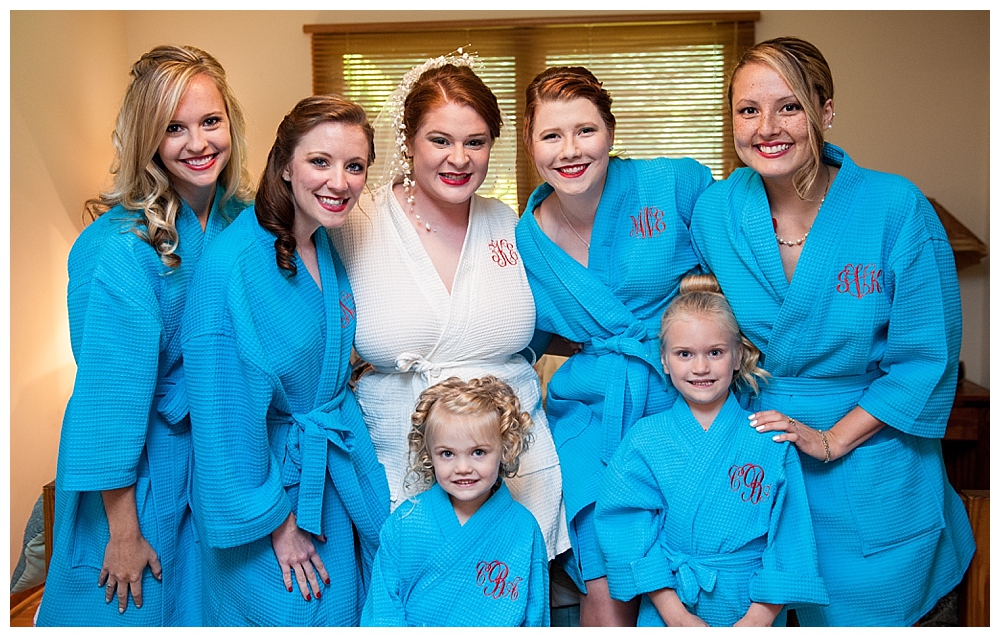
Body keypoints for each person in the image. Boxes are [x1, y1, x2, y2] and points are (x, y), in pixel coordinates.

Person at [689, 37, 975, 626]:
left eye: (789, 106)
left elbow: (927, 357)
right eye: (748, 110)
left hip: (873, 459)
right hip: (759, 460)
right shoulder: (715, 212)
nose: (767, 127)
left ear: (825, 111)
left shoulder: (896, 207)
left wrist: (831, 439)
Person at [35, 45, 252, 627]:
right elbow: (108, 402)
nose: (198, 142)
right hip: (141, 473)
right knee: (135, 607)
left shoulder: (242, 222)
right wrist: (123, 532)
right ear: (147, 139)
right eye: (173, 128)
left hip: (216, 462)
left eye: (211, 121)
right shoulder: (118, 248)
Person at [330, 52, 569, 562]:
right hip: (402, 460)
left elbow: (560, 315)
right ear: (408, 141)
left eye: (475, 142)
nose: (458, 159)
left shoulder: (510, 223)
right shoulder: (357, 219)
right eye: (440, 140)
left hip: (512, 463)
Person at [514, 66, 714, 626]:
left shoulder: (676, 185)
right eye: (551, 136)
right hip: (590, 414)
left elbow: (747, 268)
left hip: (684, 400)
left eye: (585, 131)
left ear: (611, 131)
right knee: (604, 568)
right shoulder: (522, 240)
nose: (569, 151)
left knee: (691, 560)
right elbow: (519, 333)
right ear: (530, 144)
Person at [181, 95, 389, 626]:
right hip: (267, 503)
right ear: (284, 164)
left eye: (354, 166)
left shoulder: (321, 244)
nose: (339, 182)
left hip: (325, 478)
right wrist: (278, 525)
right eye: (320, 162)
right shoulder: (233, 265)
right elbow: (223, 419)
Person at [595, 274, 828, 627]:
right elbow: (625, 527)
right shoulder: (645, 439)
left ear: (738, 356)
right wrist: (675, 615)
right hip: (670, 602)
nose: (700, 367)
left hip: (751, 601)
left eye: (715, 352)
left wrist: (758, 619)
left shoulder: (770, 439)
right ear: (664, 360)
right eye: (684, 354)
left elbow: (789, 535)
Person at [361, 376, 550, 627]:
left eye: (478, 452)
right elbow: (383, 611)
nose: (463, 468)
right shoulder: (405, 523)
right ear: (429, 454)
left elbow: (535, 614)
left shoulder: (524, 528)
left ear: (505, 449)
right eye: (447, 453)